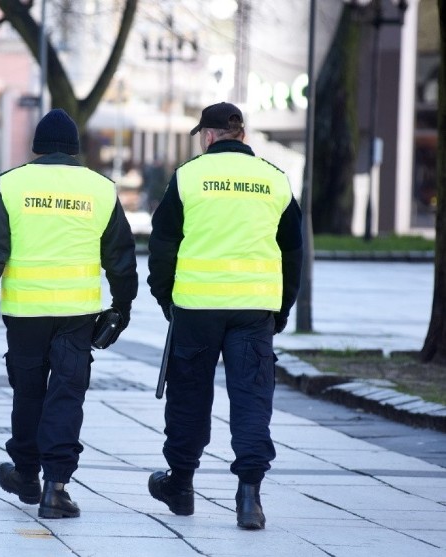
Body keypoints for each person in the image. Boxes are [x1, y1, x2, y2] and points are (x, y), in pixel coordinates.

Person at [0, 108, 138, 519]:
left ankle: (26, 474)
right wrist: (122, 306)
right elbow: (120, 256)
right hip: (77, 315)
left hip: (26, 313)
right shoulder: (100, 188)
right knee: (66, 395)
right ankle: (56, 488)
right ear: (75, 149)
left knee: (28, 395)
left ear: (37, 147)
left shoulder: (12, 184)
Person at [146, 102, 303, 530]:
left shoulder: (189, 177)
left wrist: (166, 298)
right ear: (242, 136)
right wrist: (282, 307)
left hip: (196, 308)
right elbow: (293, 250)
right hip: (254, 310)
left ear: (211, 136)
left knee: (189, 398)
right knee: (252, 398)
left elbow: (162, 246)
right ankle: (249, 497)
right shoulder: (275, 180)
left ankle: (180, 485)